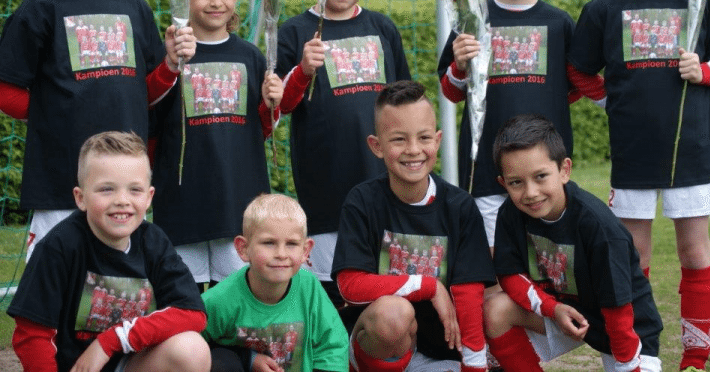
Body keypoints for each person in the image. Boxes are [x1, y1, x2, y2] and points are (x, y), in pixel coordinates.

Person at [567, 0, 710, 372]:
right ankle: (641, 353)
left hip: (694, 151)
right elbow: (579, 72)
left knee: (694, 252)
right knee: (631, 256)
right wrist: (610, 103)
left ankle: (695, 358)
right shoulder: (603, 8)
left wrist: (703, 71)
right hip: (634, 154)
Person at [0, 0, 196, 259]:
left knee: (116, 291)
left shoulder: (134, 7)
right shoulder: (40, 8)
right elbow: (7, 91)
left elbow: (147, 94)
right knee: (56, 287)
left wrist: (171, 64)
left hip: (124, 184)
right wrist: (56, 115)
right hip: (62, 179)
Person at [437, 0, 605, 249]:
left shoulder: (559, 23)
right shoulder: (471, 20)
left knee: (547, 262)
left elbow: (571, 87)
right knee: (495, 263)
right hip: (487, 170)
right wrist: (459, 65)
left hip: (546, 174)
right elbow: (452, 92)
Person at [276, 0, 411, 304]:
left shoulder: (382, 27)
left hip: (383, 178)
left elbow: (404, 99)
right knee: (331, 288)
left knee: (383, 280)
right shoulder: (294, 31)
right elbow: (280, 107)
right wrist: (303, 69)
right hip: (325, 183)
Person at [7, 131, 210, 372]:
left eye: (134, 190)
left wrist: (112, 340)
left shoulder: (153, 242)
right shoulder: (59, 246)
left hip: (128, 363)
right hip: (76, 368)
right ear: (80, 198)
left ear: (148, 197)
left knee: (191, 350)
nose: (122, 200)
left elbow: (192, 313)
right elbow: (32, 334)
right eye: (106, 189)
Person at [332, 80, 496, 372]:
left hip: (437, 347)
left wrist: (474, 364)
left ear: (437, 140)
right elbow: (350, 286)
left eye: (423, 138)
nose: (413, 150)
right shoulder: (362, 201)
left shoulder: (459, 207)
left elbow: (469, 291)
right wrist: (427, 286)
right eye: (398, 140)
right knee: (394, 313)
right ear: (377, 146)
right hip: (377, 341)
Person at [484, 114, 663, 372]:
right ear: (503, 183)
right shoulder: (510, 214)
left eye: (541, 176)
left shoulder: (598, 226)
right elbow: (510, 276)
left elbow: (618, 307)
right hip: (563, 314)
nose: (531, 192)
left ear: (564, 170)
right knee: (495, 309)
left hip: (625, 328)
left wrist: (627, 365)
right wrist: (552, 308)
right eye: (516, 182)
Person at [150, 0, 286, 291]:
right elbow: (148, 108)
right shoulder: (170, 54)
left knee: (237, 300)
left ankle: (231, 350)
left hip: (237, 202)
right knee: (186, 300)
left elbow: (263, 127)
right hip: (184, 203)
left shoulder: (251, 56)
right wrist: (168, 66)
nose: (216, 1)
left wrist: (275, 103)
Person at [201, 193, 348, 372]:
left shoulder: (309, 289)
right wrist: (247, 359)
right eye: (269, 243)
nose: (281, 254)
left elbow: (332, 347)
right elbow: (190, 346)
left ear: (305, 250)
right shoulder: (219, 299)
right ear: (243, 248)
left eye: (292, 244)